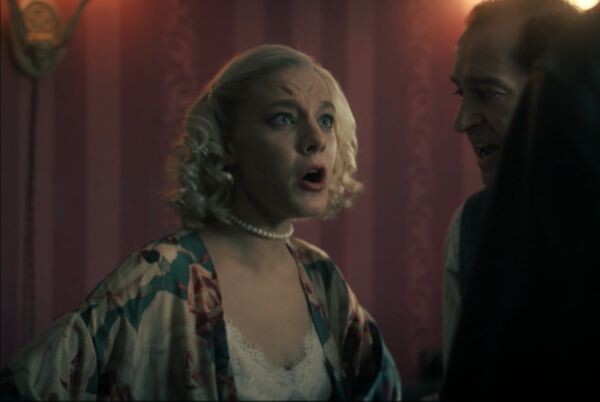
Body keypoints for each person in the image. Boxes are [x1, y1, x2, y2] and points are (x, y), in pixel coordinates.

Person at [0, 44, 402, 401]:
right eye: (283, 119)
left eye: (326, 120)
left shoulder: (321, 276)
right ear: (226, 143)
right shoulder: (161, 276)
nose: (316, 138)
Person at [442, 4, 600, 399]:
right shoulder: (469, 226)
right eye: (461, 93)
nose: (461, 121)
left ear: (553, 95)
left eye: (487, 93)